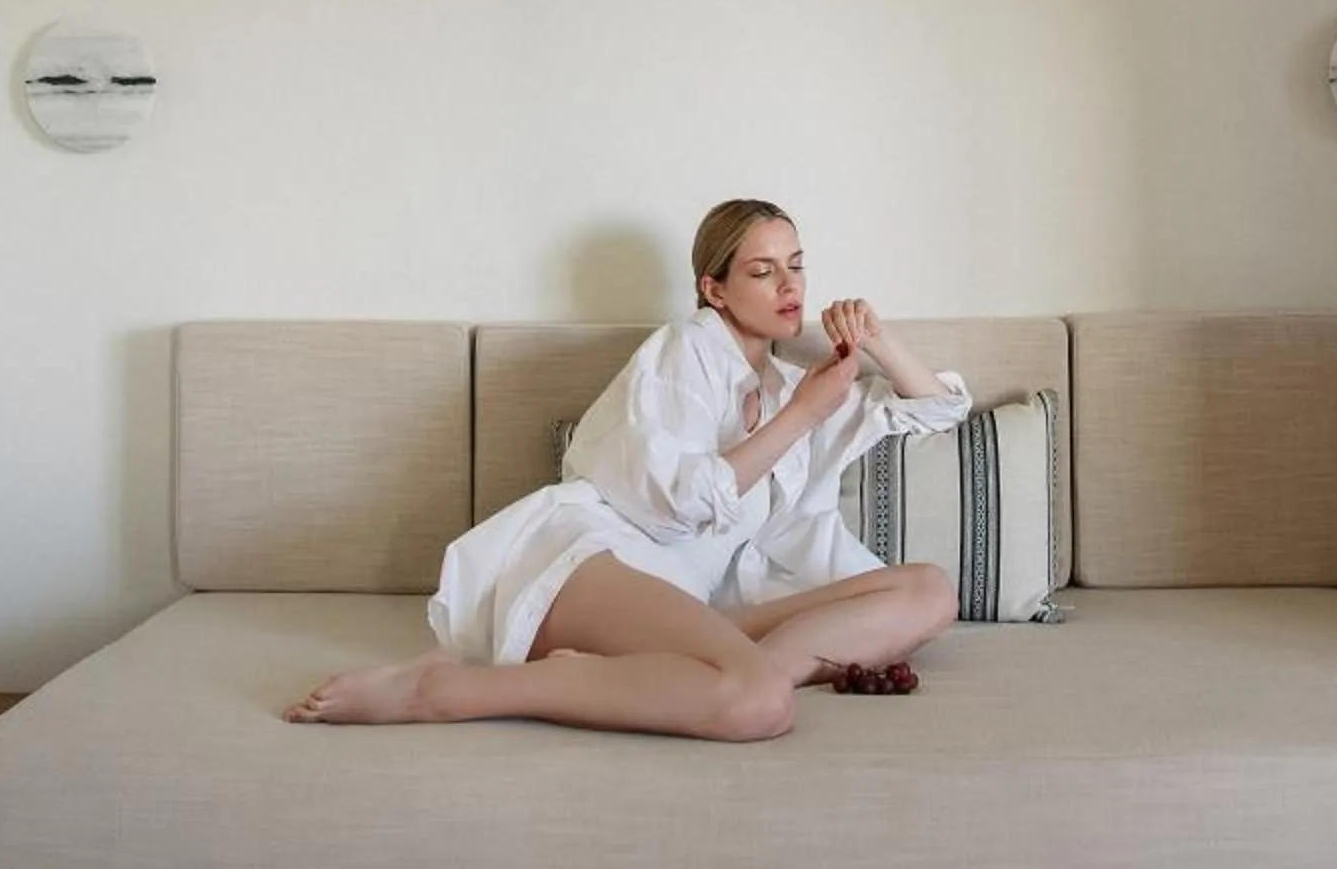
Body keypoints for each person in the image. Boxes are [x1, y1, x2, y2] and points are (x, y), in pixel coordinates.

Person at [283, 197, 970, 739]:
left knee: (931, 592)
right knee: (758, 704)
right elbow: (677, 504)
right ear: (716, 289)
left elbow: (937, 411)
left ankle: (645, 675)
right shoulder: (685, 351)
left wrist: (875, 341)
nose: (789, 285)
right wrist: (805, 418)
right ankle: (438, 691)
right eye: (763, 271)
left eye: (796, 264)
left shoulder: (797, 385)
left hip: (694, 605)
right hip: (596, 565)